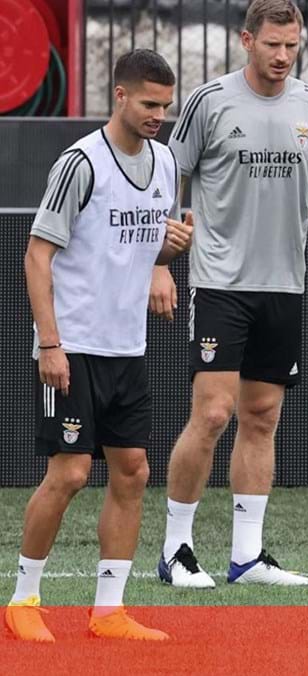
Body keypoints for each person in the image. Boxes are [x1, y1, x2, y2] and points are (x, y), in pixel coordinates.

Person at [157, 0, 308, 588]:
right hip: (218, 281)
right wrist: (159, 259)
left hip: (284, 285)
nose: (282, 56)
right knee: (213, 412)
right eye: (272, 44)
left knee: (262, 415)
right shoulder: (211, 101)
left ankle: (246, 557)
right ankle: (175, 549)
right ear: (246, 40)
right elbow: (164, 175)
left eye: (291, 46)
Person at [7, 49, 192, 642]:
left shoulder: (165, 162)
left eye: (165, 105)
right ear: (119, 96)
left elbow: (140, 245)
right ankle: (23, 599)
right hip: (75, 343)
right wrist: (49, 344)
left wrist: (168, 254)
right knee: (67, 473)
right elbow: (38, 255)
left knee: (133, 470)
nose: (158, 115)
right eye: (148, 104)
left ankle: (108, 609)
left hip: (127, 346)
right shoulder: (81, 162)